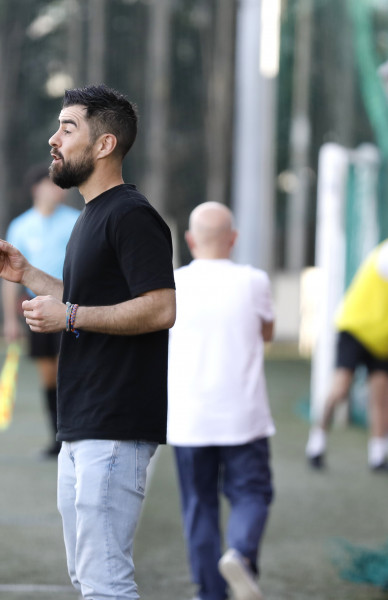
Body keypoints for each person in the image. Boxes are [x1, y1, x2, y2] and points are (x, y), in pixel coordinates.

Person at [0, 84, 176, 599]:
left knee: (105, 582)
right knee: (87, 578)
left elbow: (162, 307)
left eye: (67, 128)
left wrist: (68, 314)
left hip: (114, 423)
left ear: (104, 145)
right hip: (84, 422)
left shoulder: (131, 215)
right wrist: (29, 274)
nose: (54, 139)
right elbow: (91, 296)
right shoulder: (92, 215)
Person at [168, 202, 274, 600]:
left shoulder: (173, 283)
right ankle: (241, 554)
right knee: (252, 493)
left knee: (199, 505)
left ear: (191, 240)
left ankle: (210, 592)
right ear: (233, 239)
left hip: (189, 418)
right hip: (243, 415)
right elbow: (266, 331)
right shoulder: (254, 281)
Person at [2, 164, 80, 458]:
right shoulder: (20, 226)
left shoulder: (76, 221)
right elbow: (11, 279)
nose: (60, 189)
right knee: (48, 377)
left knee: (68, 372)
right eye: (53, 184)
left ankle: (75, 435)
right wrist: (11, 319)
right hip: (36, 309)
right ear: (37, 188)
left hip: (68, 308)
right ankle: (58, 439)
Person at [306, 240, 388, 471]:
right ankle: (317, 441)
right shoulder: (386, 253)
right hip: (355, 328)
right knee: (341, 388)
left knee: (381, 396)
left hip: (382, 339)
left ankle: (378, 456)